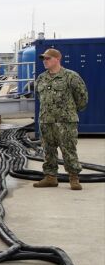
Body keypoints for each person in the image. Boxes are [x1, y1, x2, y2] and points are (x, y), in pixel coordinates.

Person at [32, 48, 89, 190]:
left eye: (48, 58)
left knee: (68, 149)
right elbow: (39, 96)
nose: (45, 61)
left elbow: (82, 98)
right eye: (43, 59)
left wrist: (69, 112)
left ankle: (74, 178)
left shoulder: (71, 76)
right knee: (48, 150)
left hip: (66, 122)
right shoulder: (41, 78)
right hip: (46, 121)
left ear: (57, 59)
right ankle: (50, 178)